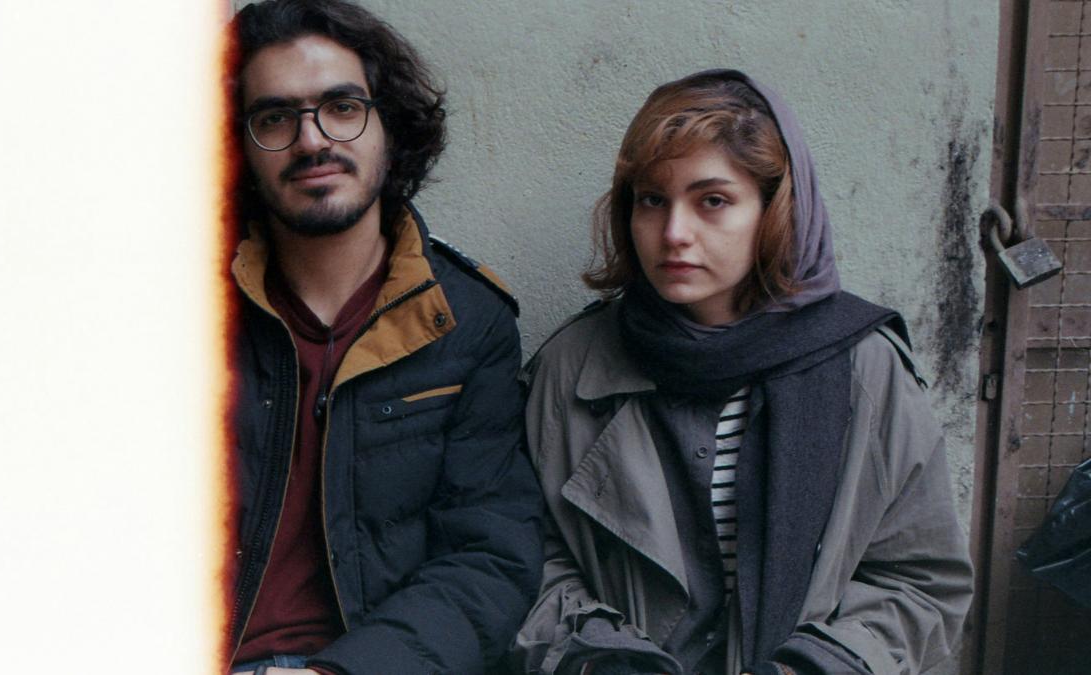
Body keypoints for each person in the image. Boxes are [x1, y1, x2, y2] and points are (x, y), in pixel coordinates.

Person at [510, 70, 973, 675]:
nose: (674, 234)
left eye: (713, 201)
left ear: (774, 210)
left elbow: (919, 579)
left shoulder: (865, 366)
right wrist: (602, 657)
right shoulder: (571, 367)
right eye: (652, 200)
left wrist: (815, 667)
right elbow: (525, 559)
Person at [224, 1, 543, 673]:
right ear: (239, 147)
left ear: (388, 126)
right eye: (275, 118)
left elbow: (487, 559)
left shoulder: (465, 320)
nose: (312, 141)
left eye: (342, 108)